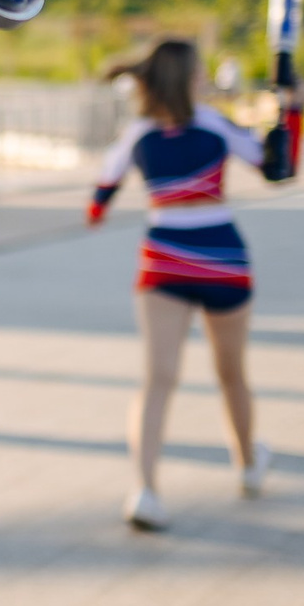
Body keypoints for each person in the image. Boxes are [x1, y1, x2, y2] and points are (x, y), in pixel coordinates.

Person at [87, 39, 272, 530]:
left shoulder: (137, 133)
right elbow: (276, 166)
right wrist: (291, 116)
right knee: (231, 373)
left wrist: (100, 207)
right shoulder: (215, 124)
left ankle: (145, 491)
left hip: (164, 259)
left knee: (157, 379)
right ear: (189, 79)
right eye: (200, 71)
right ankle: (249, 466)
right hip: (222, 257)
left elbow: (101, 193)